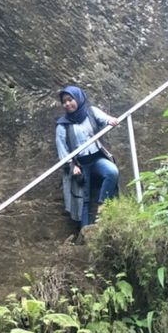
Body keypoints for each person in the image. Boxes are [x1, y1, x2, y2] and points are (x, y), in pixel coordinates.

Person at [55, 85, 119, 227]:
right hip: (80, 164)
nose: (67, 104)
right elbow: (62, 150)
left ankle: (103, 206)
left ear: (78, 98)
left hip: (97, 158)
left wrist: (110, 120)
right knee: (83, 199)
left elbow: (106, 119)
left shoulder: (91, 112)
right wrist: (72, 166)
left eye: (70, 99)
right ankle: (85, 233)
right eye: (64, 102)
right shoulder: (62, 125)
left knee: (112, 171)